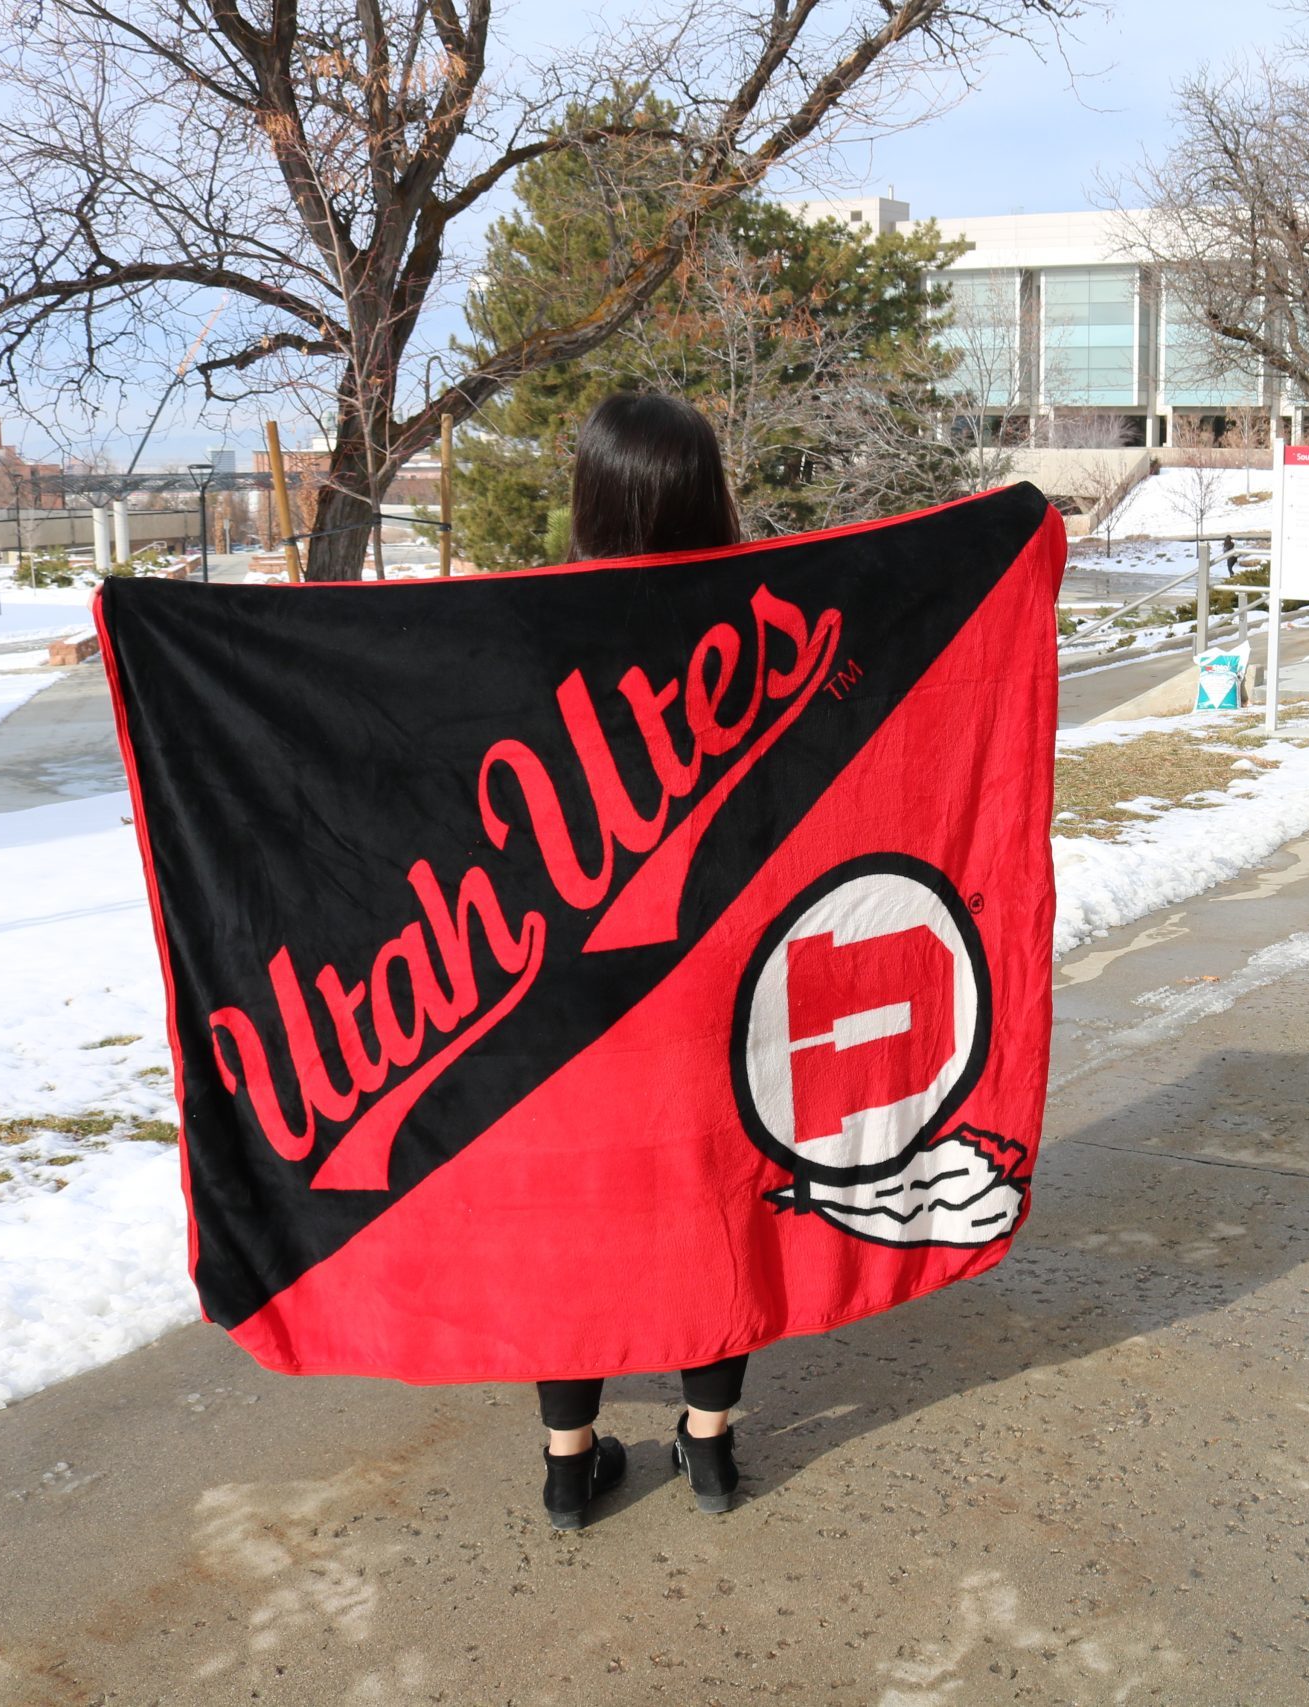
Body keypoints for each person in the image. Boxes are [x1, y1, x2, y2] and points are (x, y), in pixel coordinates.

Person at [536, 391, 752, 1533]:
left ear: (590, 494)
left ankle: (570, 1469)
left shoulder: (523, 628)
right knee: (716, 1205)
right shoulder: (761, 616)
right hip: (713, 978)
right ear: (706, 493)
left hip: (564, 992)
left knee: (574, 1228)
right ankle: (709, 1449)